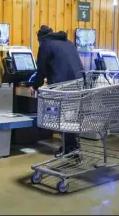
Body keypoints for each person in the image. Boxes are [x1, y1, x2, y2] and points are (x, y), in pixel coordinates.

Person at [30, 25, 84, 156]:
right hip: (79, 82)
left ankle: (69, 147)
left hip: (63, 85)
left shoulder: (45, 45)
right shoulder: (68, 42)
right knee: (71, 115)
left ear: (40, 38)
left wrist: (35, 86)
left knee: (62, 115)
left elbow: (41, 70)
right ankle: (72, 146)